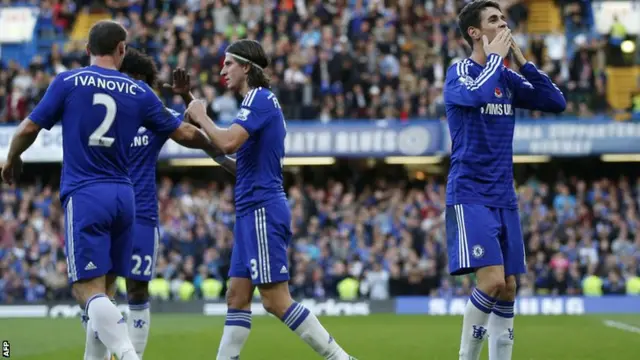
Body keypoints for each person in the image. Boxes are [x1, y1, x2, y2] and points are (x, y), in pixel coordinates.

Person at [1, 20, 212, 360]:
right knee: (108, 292)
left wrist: (12, 158)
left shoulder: (69, 81)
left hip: (86, 194)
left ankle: (129, 355)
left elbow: (28, 126)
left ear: (87, 50)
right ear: (121, 50)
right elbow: (186, 134)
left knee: (87, 292)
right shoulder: (139, 91)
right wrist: (218, 138)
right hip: (125, 198)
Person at [184, 39, 357, 360]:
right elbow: (238, 163)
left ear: (246, 67)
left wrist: (202, 116)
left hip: (262, 208)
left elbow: (229, 142)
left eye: (229, 64)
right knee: (236, 296)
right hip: (251, 209)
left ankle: (341, 358)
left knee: (275, 300)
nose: (222, 70)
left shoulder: (259, 99)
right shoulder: (256, 103)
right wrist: (208, 140)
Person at [76, 48, 237, 360]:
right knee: (100, 293)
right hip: (107, 211)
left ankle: (132, 354)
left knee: (137, 291)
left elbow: (189, 127)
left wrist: (187, 97)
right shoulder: (101, 114)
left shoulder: (154, 116)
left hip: (142, 216)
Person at [443, 1, 566, 360]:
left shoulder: (508, 77)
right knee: (493, 282)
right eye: (494, 19)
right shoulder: (458, 72)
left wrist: (522, 60)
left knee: (509, 288)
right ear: (475, 33)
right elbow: (478, 93)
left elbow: (555, 101)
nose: (503, 24)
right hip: (470, 192)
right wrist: (496, 60)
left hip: (503, 195)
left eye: (503, 17)